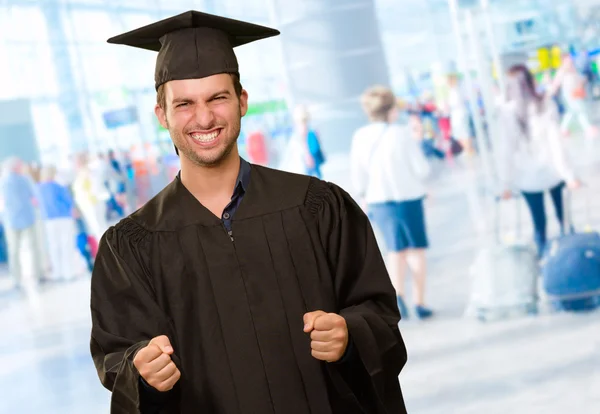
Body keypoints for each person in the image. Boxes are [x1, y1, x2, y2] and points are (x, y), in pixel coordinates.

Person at [90, 11, 407, 414]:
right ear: (162, 115)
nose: (203, 117)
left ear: (241, 102)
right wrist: (141, 372)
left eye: (217, 97)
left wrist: (350, 335)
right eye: (184, 103)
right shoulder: (130, 247)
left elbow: (379, 313)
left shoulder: (319, 207)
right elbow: (117, 357)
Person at [350, 86, 434, 320]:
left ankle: (398, 297)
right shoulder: (402, 134)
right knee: (416, 250)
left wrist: (364, 195)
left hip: (379, 202)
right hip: (409, 199)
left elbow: (358, 177)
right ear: (391, 110)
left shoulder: (360, 137)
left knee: (395, 251)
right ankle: (420, 302)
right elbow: (422, 169)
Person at [497, 64, 581, 256]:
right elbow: (556, 145)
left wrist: (506, 183)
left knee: (538, 222)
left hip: (527, 180)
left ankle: (544, 258)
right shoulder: (544, 104)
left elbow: (506, 152)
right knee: (564, 219)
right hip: (553, 173)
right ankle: (571, 258)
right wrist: (569, 175)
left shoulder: (507, 112)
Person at [0, 157, 44, 288]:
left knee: (14, 250)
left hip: (11, 220)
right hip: (26, 218)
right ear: (16, 167)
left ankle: (17, 279)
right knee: (33, 247)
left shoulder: (3, 181)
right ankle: (38, 275)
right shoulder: (24, 180)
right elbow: (34, 197)